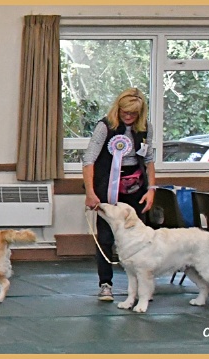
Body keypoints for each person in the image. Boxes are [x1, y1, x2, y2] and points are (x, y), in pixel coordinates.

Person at [82, 87, 156, 302]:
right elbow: (88, 161)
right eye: (125, 111)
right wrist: (90, 192)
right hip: (107, 187)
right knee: (105, 237)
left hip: (136, 189)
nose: (129, 116)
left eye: (133, 113)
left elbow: (149, 159)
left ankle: (144, 286)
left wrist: (151, 190)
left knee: (141, 237)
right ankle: (105, 284)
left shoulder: (145, 128)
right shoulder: (104, 127)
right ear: (118, 108)